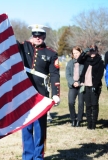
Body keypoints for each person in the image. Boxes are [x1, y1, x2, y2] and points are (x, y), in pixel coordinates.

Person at [17, 24, 60, 159]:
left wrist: (56, 94)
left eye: (40, 35)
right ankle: (27, 156)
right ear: (32, 36)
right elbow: (10, 43)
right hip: (25, 94)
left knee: (40, 128)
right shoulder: (24, 47)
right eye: (35, 35)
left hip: (41, 95)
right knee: (26, 128)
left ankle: (38, 157)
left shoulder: (51, 53)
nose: (37, 38)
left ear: (44, 36)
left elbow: (54, 74)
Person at [77, 44, 104, 130]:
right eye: (90, 50)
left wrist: (95, 85)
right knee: (88, 105)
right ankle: (89, 124)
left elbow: (99, 75)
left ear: (97, 51)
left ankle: (94, 124)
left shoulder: (100, 61)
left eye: (94, 50)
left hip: (94, 86)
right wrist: (83, 52)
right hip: (85, 85)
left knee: (94, 105)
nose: (92, 52)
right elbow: (79, 60)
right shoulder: (86, 59)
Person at [65, 46, 84, 127]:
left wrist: (79, 82)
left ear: (80, 52)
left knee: (81, 103)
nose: (75, 55)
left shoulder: (84, 62)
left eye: (77, 53)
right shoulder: (70, 63)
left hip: (81, 86)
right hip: (72, 86)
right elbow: (67, 75)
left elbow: (85, 74)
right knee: (71, 102)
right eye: (74, 53)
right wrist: (73, 82)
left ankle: (79, 120)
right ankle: (73, 119)